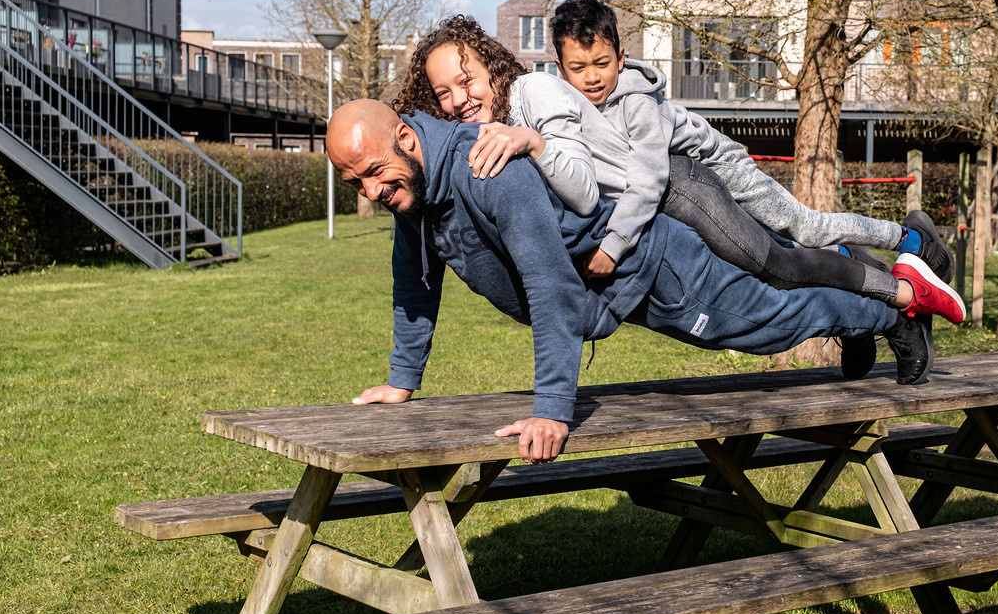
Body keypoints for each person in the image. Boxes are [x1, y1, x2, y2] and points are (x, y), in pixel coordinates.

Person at [327, 99, 936, 464]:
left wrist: (551, 410)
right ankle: (852, 303)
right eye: (356, 183)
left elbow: (549, 288)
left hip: (657, 269)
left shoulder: (486, 172)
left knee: (768, 323)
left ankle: (890, 315)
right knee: (776, 307)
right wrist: (401, 381)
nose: (372, 192)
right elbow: (414, 284)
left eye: (374, 174)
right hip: (618, 290)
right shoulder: (414, 192)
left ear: (406, 139)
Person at [391, 16, 963, 377]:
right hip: (650, 220)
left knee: (774, 276)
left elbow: (594, 188)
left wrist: (536, 147)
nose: (460, 98)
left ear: (490, 68)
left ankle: (898, 302)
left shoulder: (531, 98)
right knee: (778, 261)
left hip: (673, 193)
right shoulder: (472, 147)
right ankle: (858, 291)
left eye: (467, 80)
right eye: (443, 92)